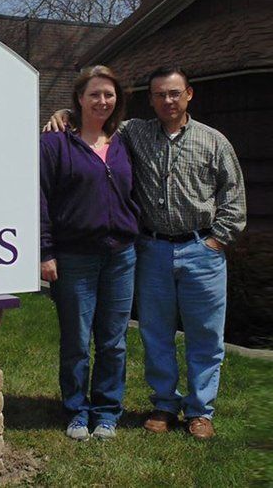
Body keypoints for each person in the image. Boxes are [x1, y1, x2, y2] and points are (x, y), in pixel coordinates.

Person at [45, 66, 246, 440]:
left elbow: (233, 195)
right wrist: (65, 115)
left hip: (201, 250)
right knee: (155, 332)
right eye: (159, 95)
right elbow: (94, 117)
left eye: (174, 93)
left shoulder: (213, 140)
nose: (167, 101)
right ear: (150, 99)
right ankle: (164, 405)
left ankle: (200, 411)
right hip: (151, 249)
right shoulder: (134, 133)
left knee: (204, 334)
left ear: (188, 94)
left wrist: (217, 239)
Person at [40, 65, 139, 441]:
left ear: (118, 101)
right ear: (79, 99)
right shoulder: (54, 143)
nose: (102, 101)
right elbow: (40, 199)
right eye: (94, 94)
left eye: (109, 95)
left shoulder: (126, 141)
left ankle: (108, 411)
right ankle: (77, 411)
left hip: (121, 256)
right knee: (77, 341)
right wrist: (45, 251)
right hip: (74, 257)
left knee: (114, 341)